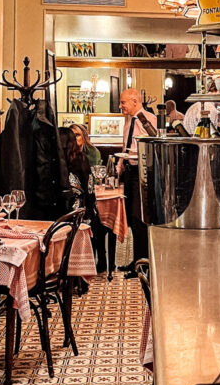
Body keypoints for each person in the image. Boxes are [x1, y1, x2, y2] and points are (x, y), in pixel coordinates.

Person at [117, 88, 157, 270]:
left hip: (143, 172)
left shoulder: (147, 119)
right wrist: (119, 166)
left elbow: (154, 143)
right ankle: (136, 260)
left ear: (134, 101)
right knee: (132, 218)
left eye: (123, 102)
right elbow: (125, 147)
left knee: (139, 217)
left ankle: (143, 262)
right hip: (130, 172)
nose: (120, 106)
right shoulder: (128, 122)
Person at [58, 125, 107, 274]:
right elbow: (89, 188)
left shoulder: (60, 163)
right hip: (83, 213)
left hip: (66, 215)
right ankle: (82, 273)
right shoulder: (81, 159)